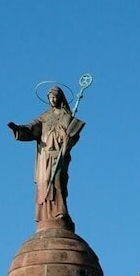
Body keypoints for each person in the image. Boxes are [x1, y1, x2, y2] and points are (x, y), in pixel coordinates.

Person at [8, 86, 84, 226]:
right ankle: (45, 215)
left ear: (60, 98)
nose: (53, 100)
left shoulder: (66, 116)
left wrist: (68, 138)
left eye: (55, 97)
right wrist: (18, 129)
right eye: (50, 98)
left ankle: (60, 212)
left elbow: (73, 134)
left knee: (57, 181)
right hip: (45, 155)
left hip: (58, 155)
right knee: (44, 183)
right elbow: (32, 127)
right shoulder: (46, 116)